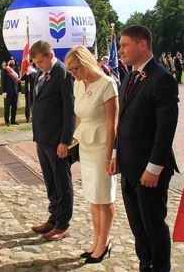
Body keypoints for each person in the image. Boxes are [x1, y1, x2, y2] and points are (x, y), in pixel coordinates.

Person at [109, 25, 179, 272]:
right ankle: (145, 266)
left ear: (142, 45)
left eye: (125, 44)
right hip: (129, 166)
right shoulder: (129, 76)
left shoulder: (163, 79)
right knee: (138, 228)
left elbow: (166, 129)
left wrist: (154, 167)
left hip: (150, 170)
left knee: (153, 226)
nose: (120, 50)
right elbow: (123, 119)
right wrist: (116, 153)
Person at [65, 46, 118, 264]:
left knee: (104, 196)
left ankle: (104, 242)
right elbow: (79, 115)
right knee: (92, 196)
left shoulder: (107, 84)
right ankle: (96, 239)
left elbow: (112, 122)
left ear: (87, 62)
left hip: (102, 144)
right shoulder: (78, 83)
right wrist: (74, 141)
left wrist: (111, 155)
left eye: (76, 69)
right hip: (86, 144)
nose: (74, 74)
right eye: (70, 70)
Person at [29, 40, 75, 241]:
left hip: (57, 140)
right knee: (50, 182)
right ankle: (53, 217)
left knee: (62, 183)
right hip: (42, 138)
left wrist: (65, 141)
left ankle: (63, 224)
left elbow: (69, 111)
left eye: (40, 61)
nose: (37, 65)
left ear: (50, 55)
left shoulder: (63, 74)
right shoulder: (42, 73)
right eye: (35, 62)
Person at [0, 58, 21, 126]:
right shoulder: (4, 70)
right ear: (8, 62)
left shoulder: (16, 70)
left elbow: (18, 81)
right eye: (11, 61)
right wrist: (3, 91)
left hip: (15, 92)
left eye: (13, 61)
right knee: (7, 107)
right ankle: (7, 121)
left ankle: (13, 120)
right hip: (8, 92)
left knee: (14, 107)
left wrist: (19, 90)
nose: (12, 62)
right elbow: (2, 82)